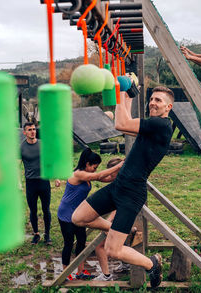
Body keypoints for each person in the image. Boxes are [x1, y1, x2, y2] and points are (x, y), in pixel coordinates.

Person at [72, 86, 174, 288]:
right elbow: (123, 125)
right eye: (151, 99)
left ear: (168, 107)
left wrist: (119, 89)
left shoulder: (162, 125)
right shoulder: (152, 125)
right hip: (119, 186)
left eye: (158, 101)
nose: (153, 102)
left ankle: (152, 263)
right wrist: (129, 94)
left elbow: (120, 122)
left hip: (132, 193)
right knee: (78, 217)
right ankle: (118, 229)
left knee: (113, 251)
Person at [57, 150, 123, 281]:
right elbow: (99, 176)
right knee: (69, 243)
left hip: (79, 214)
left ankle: (80, 271)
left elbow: (107, 178)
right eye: (94, 167)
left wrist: (120, 174)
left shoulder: (87, 174)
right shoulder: (79, 174)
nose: (95, 170)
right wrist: (118, 166)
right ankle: (65, 272)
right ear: (87, 164)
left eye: (96, 168)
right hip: (66, 214)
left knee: (81, 242)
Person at [20, 122, 60, 245]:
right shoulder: (21, 147)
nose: (33, 131)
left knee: (46, 209)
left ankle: (47, 235)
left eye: (34, 129)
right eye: (30, 129)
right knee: (33, 210)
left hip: (44, 181)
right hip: (31, 183)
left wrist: (56, 177)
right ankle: (36, 234)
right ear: (24, 132)